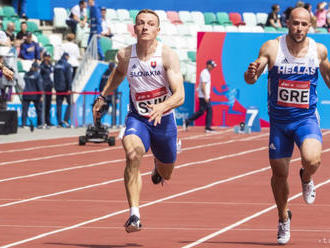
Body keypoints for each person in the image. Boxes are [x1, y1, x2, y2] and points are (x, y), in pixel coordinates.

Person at [244, 7, 330, 245]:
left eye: (304, 24)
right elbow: (252, 76)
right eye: (295, 23)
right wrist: (252, 72)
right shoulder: (273, 47)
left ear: (310, 25)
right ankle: (283, 217)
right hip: (280, 123)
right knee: (279, 174)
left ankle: (306, 176)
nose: (299, 28)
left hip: (306, 119)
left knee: (313, 160)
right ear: (287, 23)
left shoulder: (318, 50)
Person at [93, 9, 184, 233]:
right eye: (141, 23)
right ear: (134, 28)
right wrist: (103, 96)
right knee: (132, 155)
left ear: (157, 29)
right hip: (138, 118)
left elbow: (180, 95)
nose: (145, 27)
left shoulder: (167, 55)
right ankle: (134, 215)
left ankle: (158, 167)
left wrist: (162, 107)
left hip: (163, 121)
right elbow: (118, 74)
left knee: (167, 173)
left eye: (150, 24)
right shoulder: (125, 55)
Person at [183, 60, 216, 133]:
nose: (213, 67)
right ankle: (207, 127)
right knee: (209, 110)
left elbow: (201, 84)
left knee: (202, 111)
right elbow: (203, 85)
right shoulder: (205, 73)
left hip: (204, 96)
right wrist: (206, 96)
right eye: (212, 65)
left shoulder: (207, 73)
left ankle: (188, 121)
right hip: (204, 96)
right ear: (208, 65)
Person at [54, 52, 73, 128]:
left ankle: (59, 122)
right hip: (65, 88)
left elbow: (54, 77)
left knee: (58, 105)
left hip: (58, 88)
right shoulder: (67, 65)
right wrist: (69, 88)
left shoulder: (56, 65)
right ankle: (66, 119)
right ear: (66, 57)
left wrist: (55, 87)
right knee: (70, 103)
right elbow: (69, 77)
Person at [21, 62, 43, 128]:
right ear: (35, 67)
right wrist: (41, 95)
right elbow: (39, 85)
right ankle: (39, 124)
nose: (37, 69)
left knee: (25, 110)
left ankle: (24, 124)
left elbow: (22, 84)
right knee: (39, 110)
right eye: (37, 68)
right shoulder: (37, 75)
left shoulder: (25, 74)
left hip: (26, 94)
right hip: (35, 94)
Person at [40, 51, 54, 127]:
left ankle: (48, 121)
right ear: (44, 57)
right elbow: (40, 78)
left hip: (49, 87)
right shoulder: (41, 66)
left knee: (48, 105)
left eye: (49, 57)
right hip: (44, 87)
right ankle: (43, 121)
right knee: (44, 106)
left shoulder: (51, 65)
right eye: (47, 56)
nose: (48, 58)